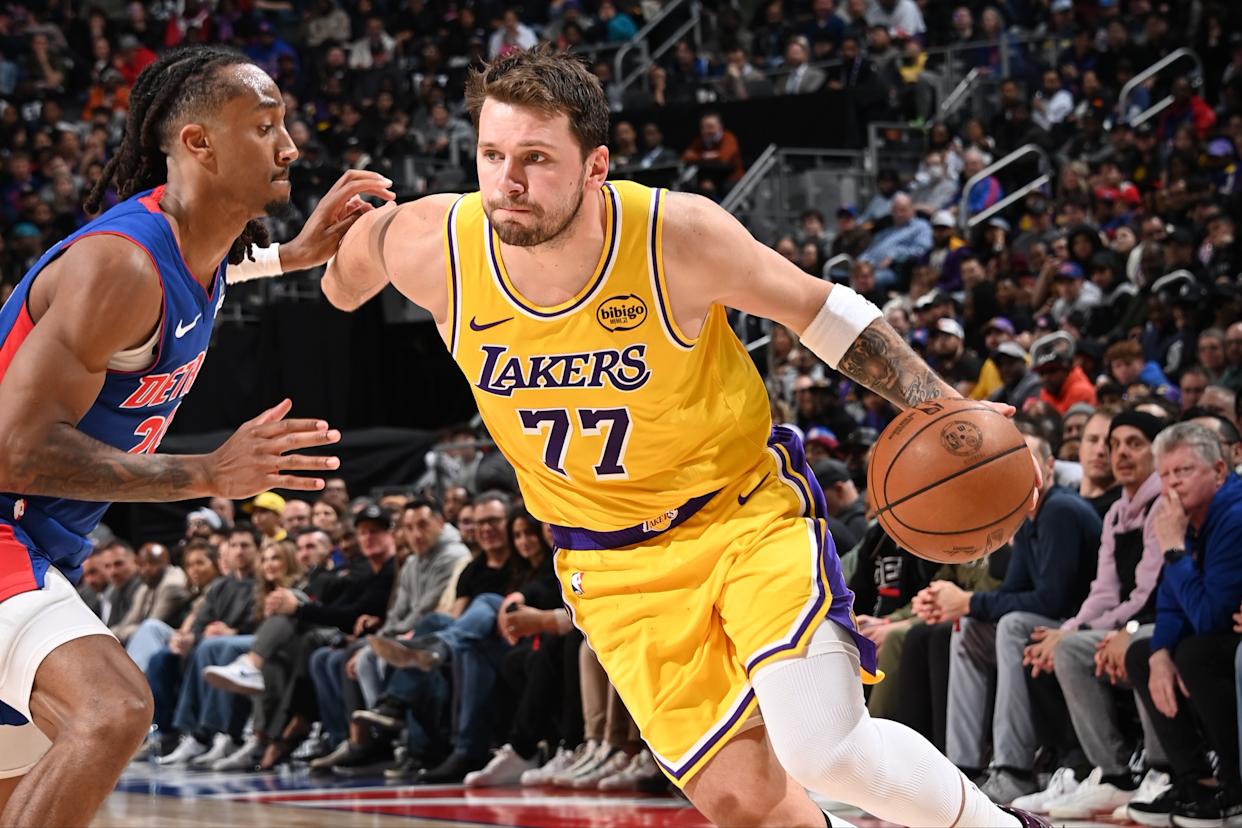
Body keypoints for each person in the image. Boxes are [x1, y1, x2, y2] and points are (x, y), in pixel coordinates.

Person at [324, 48, 1045, 827]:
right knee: (743, 799)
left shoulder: (675, 236)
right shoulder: (436, 241)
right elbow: (344, 275)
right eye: (492, 156)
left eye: (536, 158)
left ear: (596, 165)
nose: (508, 182)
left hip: (741, 516)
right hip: (610, 564)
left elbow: (819, 308)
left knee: (824, 751)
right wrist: (297, 251)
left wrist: (940, 403)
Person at [0, 45, 392, 825]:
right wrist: (205, 474)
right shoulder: (120, 267)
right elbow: (13, 448)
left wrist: (296, 255)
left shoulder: (189, 257)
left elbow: (217, 276)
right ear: (197, 143)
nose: (291, 147)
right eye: (266, 126)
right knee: (108, 712)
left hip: (41, 545)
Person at [918, 432, 1101, 804]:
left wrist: (968, 600)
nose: (1016, 470)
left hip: (1081, 624)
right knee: (968, 627)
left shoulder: (1061, 510)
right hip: (1054, 620)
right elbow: (1010, 590)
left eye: (1025, 459)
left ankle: (1013, 769)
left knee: (1012, 625)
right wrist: (961, 605)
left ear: (1047, 466)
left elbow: (1053, 600)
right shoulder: (1028, 517)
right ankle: (964, 767)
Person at [1124, 423, 1242, 826]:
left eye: (1184, 470)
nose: (1173, 483)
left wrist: (1173, 549)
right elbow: (1171, 603)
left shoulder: (1233, 513)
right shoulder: (1183, 515)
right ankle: (1198, 785)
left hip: (1224, 636)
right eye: (1167, 474)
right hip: (1217, 627)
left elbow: (1210, 616)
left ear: (1220, 472)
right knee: (1142, 652)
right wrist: (1159, 652)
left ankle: (1234, 784)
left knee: (1195, 654)